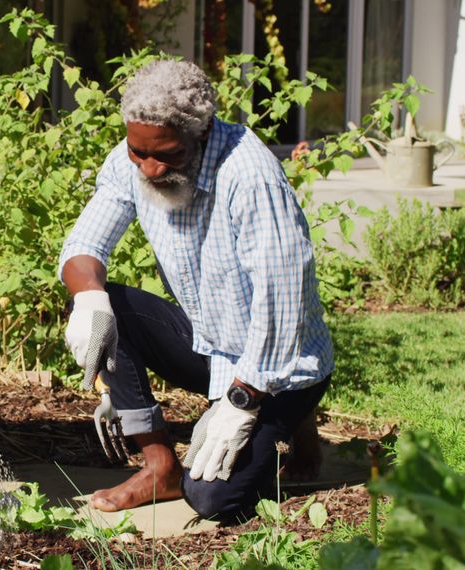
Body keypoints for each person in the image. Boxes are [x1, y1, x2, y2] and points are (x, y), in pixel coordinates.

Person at [59, 60, 333, 521]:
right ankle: (158, 466)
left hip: (281, 363)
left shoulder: (249, 175)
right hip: (211, 342)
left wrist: (242, 403)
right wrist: (88, 298)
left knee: (213, 501)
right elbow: (85, 245)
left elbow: (282, 306)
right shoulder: (136, 156)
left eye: (167, 155)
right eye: (137, 152)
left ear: (201, 135)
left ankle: (292, 414)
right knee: (107, 306)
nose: (149, 168)